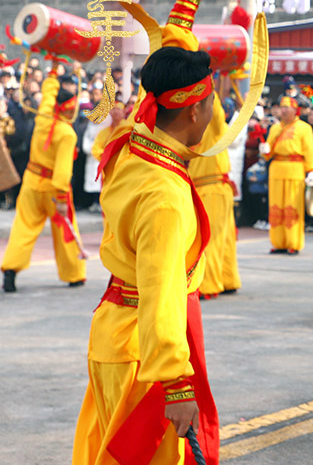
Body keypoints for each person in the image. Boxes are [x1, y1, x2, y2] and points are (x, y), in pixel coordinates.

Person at [72, 45, 220, 464]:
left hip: (116, 334)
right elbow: (162, 291)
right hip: (144, 351)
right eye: (211, 103)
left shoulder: (134, 141)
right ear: (193, 112)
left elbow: (160, 72)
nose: (213, 113)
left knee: (110, 452)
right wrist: (176, 383)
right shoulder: (165, 198)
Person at [1, 68, 86, 292]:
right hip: (52, 188)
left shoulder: (43, 118)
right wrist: (60, 197)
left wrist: (53, 72)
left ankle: (10, 269)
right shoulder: (67, 134)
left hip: (31, 180)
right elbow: (62, 170)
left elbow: (48, 95)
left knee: (23, 228)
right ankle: (74, 274)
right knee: (65, 230)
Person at [192, 89, 240, 299]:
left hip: (213, 187)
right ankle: (227, 279)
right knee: (224, 237)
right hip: (208, 188)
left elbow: (216, 112)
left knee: (210, 237)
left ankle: (209, 284)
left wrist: (206, 80)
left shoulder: (214, 129)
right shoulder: (192, 132)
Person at [259, 96, 313, 254]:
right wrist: (264, 150)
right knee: (276, 207)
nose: (283, 110)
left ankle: (293, 242)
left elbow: (309, 150)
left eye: (287, 107)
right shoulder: (275, 128)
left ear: (295, 110)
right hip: (277, 169)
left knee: (293, 207)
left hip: (295, 169)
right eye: (282, 107)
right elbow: (268, 151)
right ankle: (278, 242)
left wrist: (311, 170)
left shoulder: (304, 128)